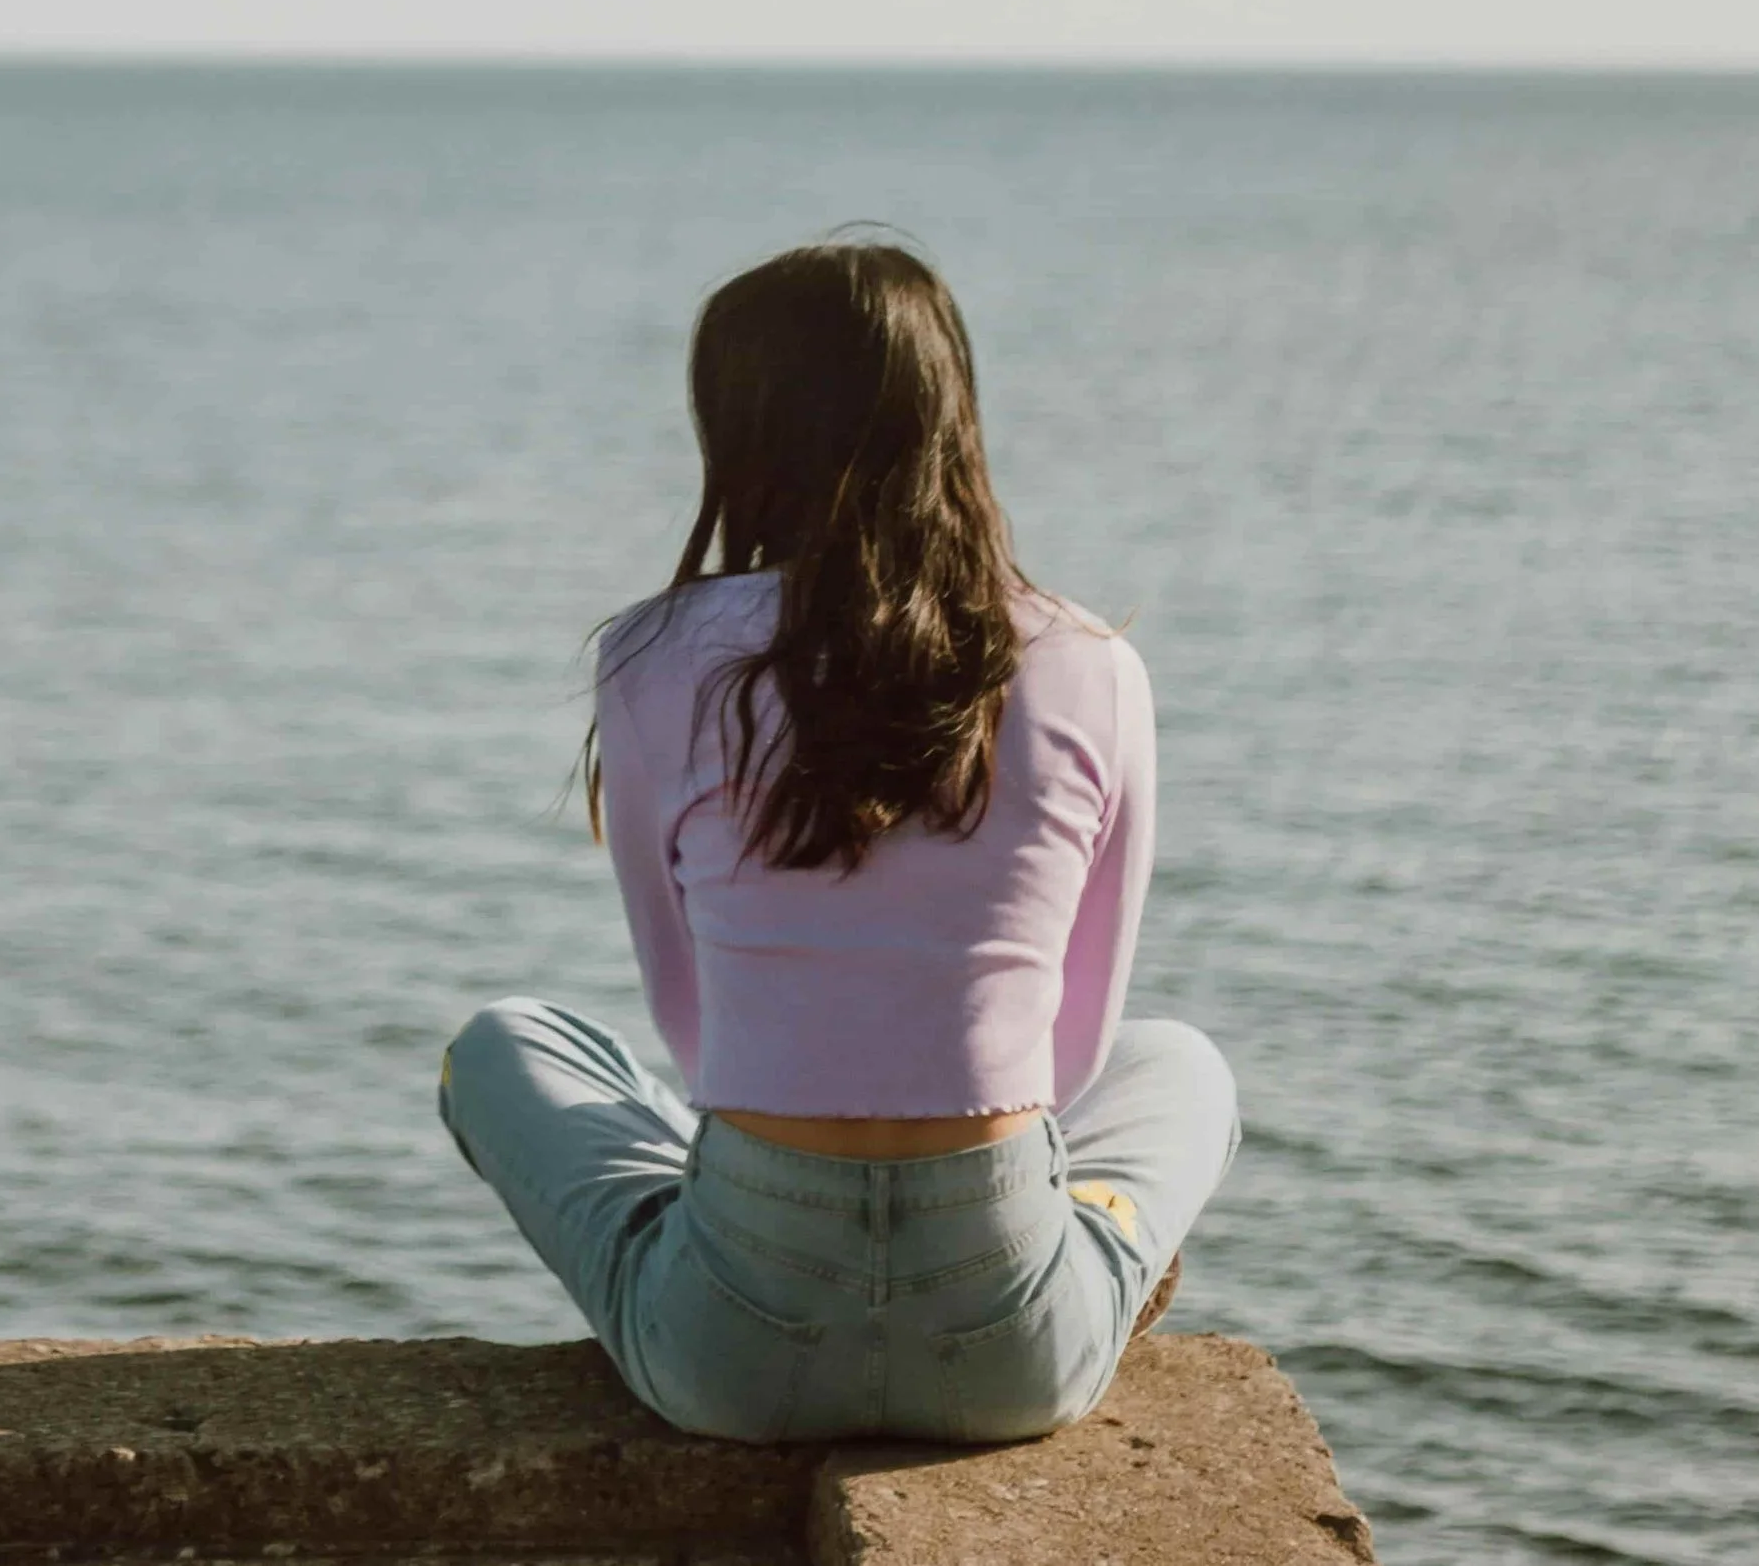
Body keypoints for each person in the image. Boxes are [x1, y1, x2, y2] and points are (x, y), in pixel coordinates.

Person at [438, 238, 1239, 1444]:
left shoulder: (651, 656)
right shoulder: (1094, 665)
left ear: (739, 430)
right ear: (949, 413)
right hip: (1012, 1352)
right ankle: (1070, 1275)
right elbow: (1069, 1058)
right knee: (1181, 1064)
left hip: (734, 1346)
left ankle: (692, 1228)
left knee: (504, 1046)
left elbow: (692, 1027)